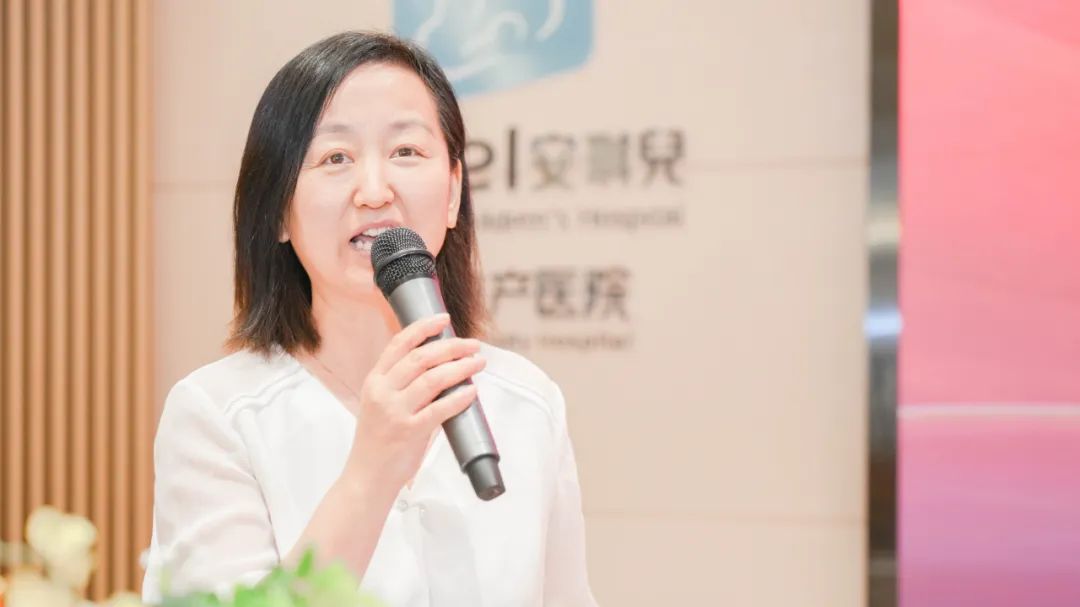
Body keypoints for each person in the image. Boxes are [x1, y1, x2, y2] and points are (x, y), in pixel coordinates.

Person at [142, 31, 597, 607]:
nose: (375, 191)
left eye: (406, 151)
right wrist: (371, 471)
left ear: (453, 191)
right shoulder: (217, 415)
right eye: (335, 158)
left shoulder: (527, 402)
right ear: (277, 209)